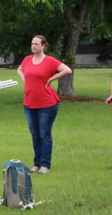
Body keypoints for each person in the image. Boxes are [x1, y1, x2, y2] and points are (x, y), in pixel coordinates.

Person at [17, 35, 72, 174]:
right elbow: (19, 69)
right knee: (35, 134)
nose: (33, 46)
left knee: (44, 134)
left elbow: (67, 70)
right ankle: (36, 164)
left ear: (43, 46)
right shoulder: (27, 60)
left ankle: (45, 165)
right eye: (32, 43)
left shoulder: (50, 61)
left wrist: (52, 78)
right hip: (29, 103)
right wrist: (25, 80)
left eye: (36, 44)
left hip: (46, 104)